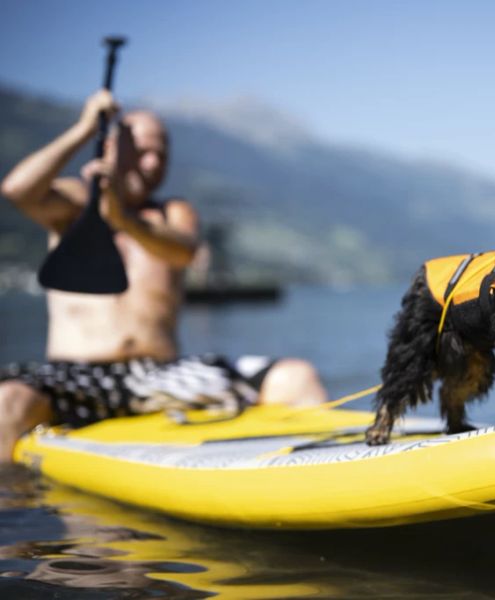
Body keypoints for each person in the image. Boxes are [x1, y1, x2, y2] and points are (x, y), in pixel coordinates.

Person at [0, 90, 328, 461]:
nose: (153, 163)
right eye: (142, 151)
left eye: (162, 155)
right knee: (7, 401)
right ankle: (14, 514)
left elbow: (182, 250)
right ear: (111, 148)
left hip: (162, 375)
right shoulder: (73, 204)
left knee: (295, 376)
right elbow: (17, 190)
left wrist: (122, 217)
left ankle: (326, 473)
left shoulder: (173, 212)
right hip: (77, 377)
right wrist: (83, 129)